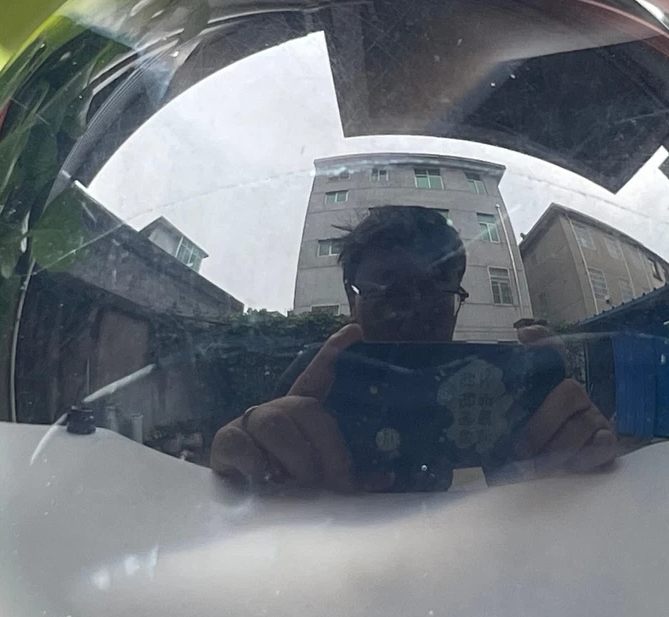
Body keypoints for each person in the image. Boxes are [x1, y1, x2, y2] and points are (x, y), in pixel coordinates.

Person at [211, 205, 615, 492]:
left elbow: (551, 487)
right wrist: (245, 452)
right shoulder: (316, 373)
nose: (414, 312)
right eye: (391, 291)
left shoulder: (498, 383)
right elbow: (256, 453)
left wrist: (574, 448)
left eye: (437, 291)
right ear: (352, 300)